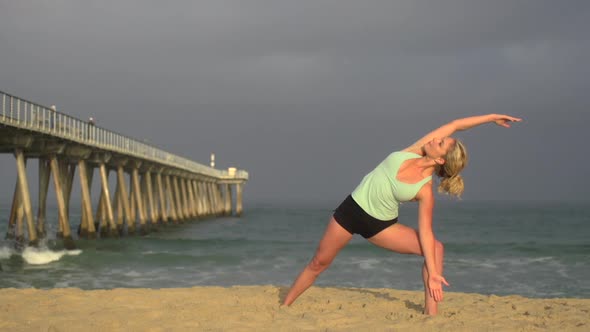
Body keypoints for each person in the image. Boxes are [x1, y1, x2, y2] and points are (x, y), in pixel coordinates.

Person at [282, 113, 522, 315]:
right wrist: (492, 118)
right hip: (351, 210)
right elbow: (456, 125)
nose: (436, 138)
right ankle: (285, 306)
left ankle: (431, 314)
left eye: (440, 142)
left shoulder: (424, 190)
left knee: (436, 249)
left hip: (380, 226)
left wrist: (435, 273)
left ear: (438, 158)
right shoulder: (415, 151)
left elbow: (426, 232)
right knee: (318, 263)